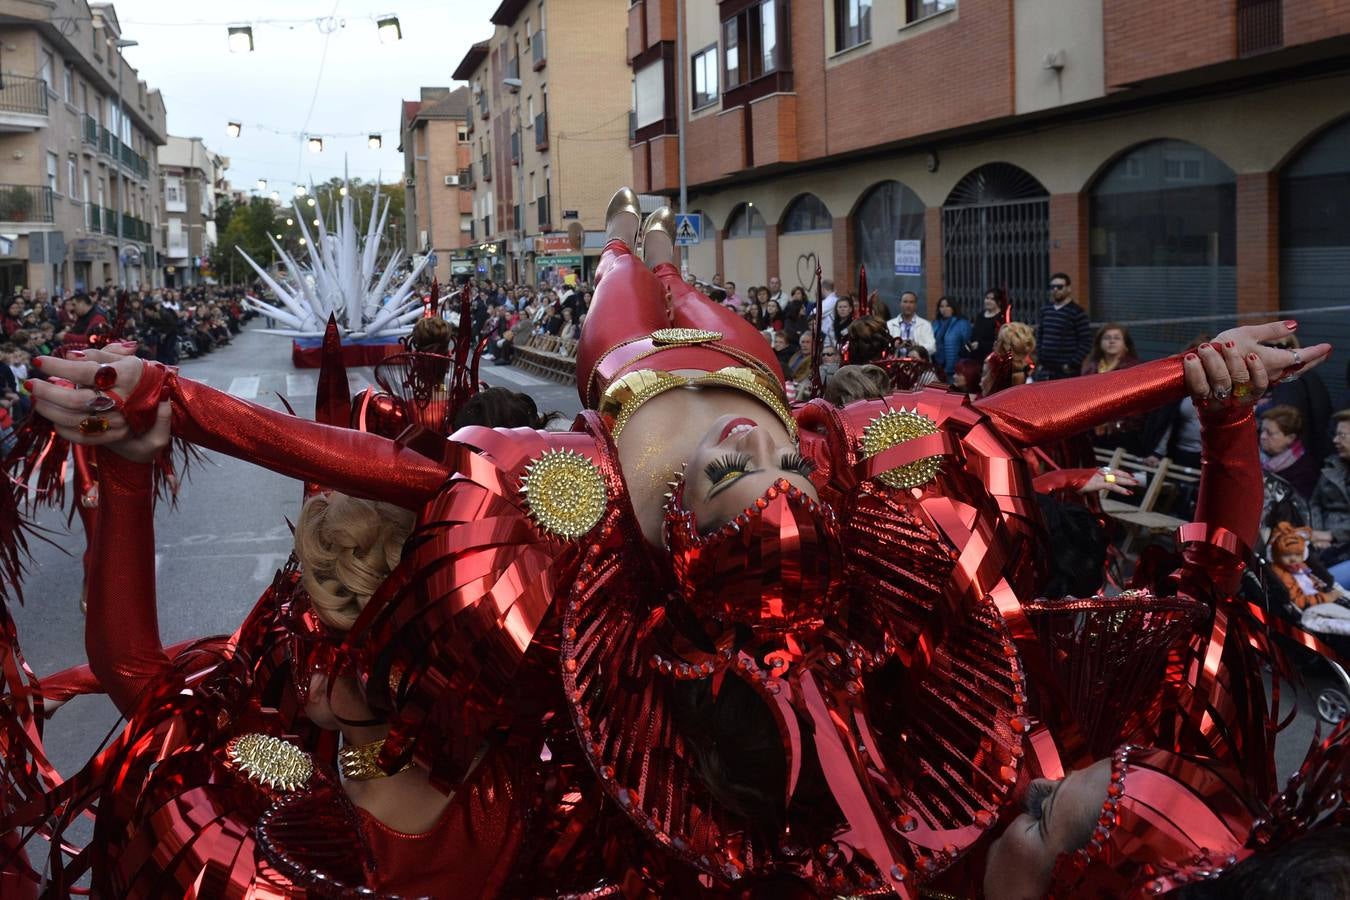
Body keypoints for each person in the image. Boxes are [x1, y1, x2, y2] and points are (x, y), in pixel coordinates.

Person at [29, 186, 1325, 897]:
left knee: (622, 289)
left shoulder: (542, 558)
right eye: (762, 467)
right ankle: (638, 241)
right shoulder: (853, 458)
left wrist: (170, 421)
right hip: (730, 357)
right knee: (657, 280)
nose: (742, 458)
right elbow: (1003, 416)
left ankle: (625, 247)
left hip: (628, 373)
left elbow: (391, 485)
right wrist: (1194, 391)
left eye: (722, 485)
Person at [1311, 410, 1350, 588]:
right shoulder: (1332, 464)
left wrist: (1333, 536)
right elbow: (1315, 502)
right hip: (1322, 539)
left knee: (1323, 584)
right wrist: (1317, 533)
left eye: (1342, 435)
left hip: (1344, 543)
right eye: (1335, 434)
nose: (1335, 440)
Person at [1034, 272, 1092, 380]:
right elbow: (1039, 335)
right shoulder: (1045, 310)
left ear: (1069, 288)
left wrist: (1072, 364)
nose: (1055, 289)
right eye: (1052, 287)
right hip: (1045, 369)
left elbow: (1086, 341)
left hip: (1067, 371)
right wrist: (1040, 359)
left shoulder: (1077, 312)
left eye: (1060, 287)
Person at [1260, 404, 1321, 498]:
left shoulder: (1304, 470)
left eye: (1269, 433)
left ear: (1290, 438)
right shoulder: (1253, 455)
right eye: (1262, 430)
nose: (1263, 436)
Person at [931, 295, 971, 377]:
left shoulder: (962, 323)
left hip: (955, 368)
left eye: (947, 306)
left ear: (953, 307)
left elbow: (967, 345)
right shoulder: (935, 323)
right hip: (937, 367)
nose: (944, 309)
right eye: (941, 306)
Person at [966, 288, 1008, 363]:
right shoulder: (980, 316)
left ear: (999, 302)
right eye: (987, 298)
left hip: (992, 358)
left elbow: (1001, 341)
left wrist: (980, 345)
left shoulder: (1002, 319)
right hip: (976, 357)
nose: (988, 301)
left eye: (992, 299)